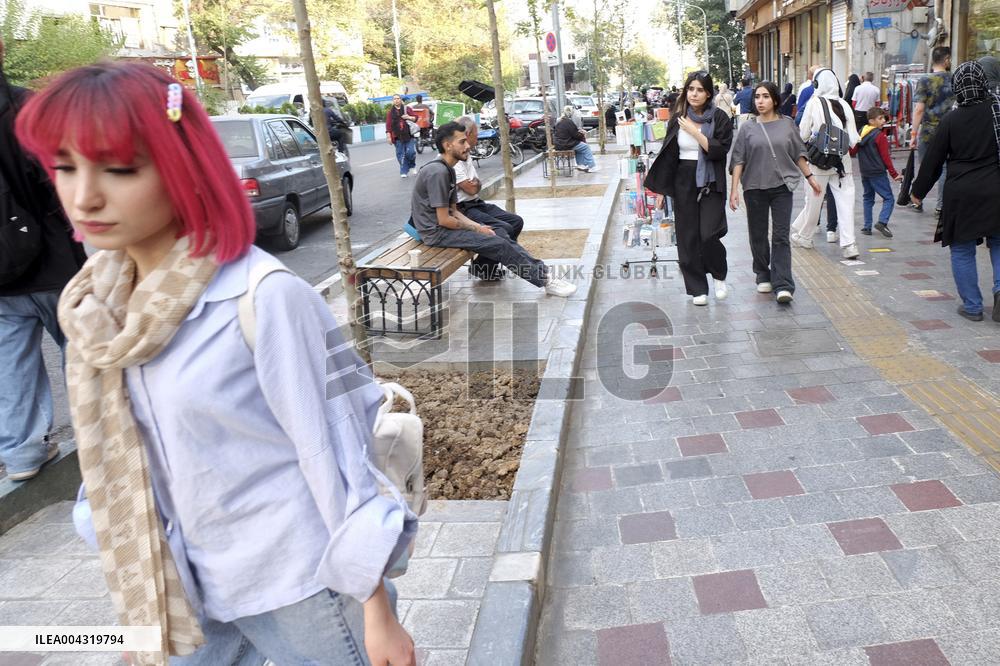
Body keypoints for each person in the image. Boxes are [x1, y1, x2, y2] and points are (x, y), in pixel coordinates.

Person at [16, 61, 418, 665]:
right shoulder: (96, 307)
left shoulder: (263, 296)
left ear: (183, 169)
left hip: (299, 582)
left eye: (120, 169)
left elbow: (337, 448)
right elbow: (125, 451)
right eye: (64, 168)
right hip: (182, 583)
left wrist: (376, 609)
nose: (83, 195)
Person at [0, 39, 88, 482]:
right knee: (83, 351)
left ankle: (21, 454)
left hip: (2, 278)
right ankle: (100, 436)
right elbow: (59, 179)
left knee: (11, 366)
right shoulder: (27, 110)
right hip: (56, 264)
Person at [410, 121, 576, 297]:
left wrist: (480, 228)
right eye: (462, 142)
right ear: (447, 145)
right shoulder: (437, 172)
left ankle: (545, 274)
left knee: (499, 234)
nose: (467, 146)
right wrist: (475, 228)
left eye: (466, 140)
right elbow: (444, 220)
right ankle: (545, 281)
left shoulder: (448, 170)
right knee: (498, 244)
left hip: (446, 227)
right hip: (436, 233)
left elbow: (454, 211)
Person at [911, 60, 1000, 323]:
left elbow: (933, 161)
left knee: (962, 249)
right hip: (996, 188)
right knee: (998, 242)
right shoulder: (997, 111)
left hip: (961, 192)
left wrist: (918, 191)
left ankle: (972, 306)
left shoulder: (951, 119)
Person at [645, 71, 734, 306]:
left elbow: (719, 151)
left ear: (708, 94)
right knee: (688, 237)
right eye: (691, 89)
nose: (694, 94)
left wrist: (695, 132)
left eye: (700, 90)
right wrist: (662, 191)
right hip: (683, 179)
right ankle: (697, 288)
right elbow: (669, 156)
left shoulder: (720, 118)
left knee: (709, 234)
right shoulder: (678, 118)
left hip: (711, 179)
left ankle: (718, 274)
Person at [729, 82, 821, 305]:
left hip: (782, 187)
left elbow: (798, 153)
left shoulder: (787, 125)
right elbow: (738, 159)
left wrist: (810, 177)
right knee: (758, 234)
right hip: (754, 187)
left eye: (765, 97)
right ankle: (762, 273)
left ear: (775, 100)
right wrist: (734, 190)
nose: (760, 101)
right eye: (757, 97)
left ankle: (783, 284)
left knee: (780, 236)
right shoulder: (747, 128)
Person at [790, 68, 861, 259]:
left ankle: (804, 235)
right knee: (846, 202)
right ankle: (849, 245)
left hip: (819, 160)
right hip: (842, 161)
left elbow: (803, 133)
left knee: (814, 201)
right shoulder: (844, 104)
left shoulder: (815, 102)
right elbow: (854, 137)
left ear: (817, 84)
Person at [453, 117, 525, 280]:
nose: (478, 138)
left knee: (516, 221)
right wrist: (475, 185)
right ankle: (486, 268)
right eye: (476, 134)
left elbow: (476, 185)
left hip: (477, 203)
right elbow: (471, 188)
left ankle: (483, 266)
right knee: (503, 229)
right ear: (468, 134)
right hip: (463, 208)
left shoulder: (467, 152)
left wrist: (475, 185)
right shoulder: (455, 157)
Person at [910, 46, 955, 214]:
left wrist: (913, 133)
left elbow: (919, 109)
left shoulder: (925, 80)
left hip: (928, 132)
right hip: (949, 131)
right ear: (946, 60)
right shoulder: (954, 79)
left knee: (925, 166)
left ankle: (917, 200)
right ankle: (941, 205)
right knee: (944, 167)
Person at [850, 107, 902, 238]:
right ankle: (882, 222)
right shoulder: (880, 136)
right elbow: (886, 158)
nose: (883, 120)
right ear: (871, 120)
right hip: (878, 172)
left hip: (865, 172)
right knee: (889, 198)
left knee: (868, 198)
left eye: (883, 118)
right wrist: (894, 174)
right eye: (880, 118)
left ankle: (867, 227)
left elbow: (853, 151)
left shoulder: (862, 131)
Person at [554, 105, 598, 172]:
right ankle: (591, 166)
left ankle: (581, 165)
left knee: (579, 147)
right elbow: (575, 135)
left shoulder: (559, 121)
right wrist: (582, 133)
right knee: (585, 147)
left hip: (558, 144)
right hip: (566, 144)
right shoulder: (568, 122)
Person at [386, 93, 418, 178]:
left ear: (401, 100)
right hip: (397, 136)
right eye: (394, 99)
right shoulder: (390, 112)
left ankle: (412, 165)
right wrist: (388, 136)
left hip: (408, 135)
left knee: (411, 152)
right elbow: (388, 125)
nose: (396, 100)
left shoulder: (407, 109)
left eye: (398, 98)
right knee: (400, 154)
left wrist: (408, 117)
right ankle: (403, 170)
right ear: (393, 101)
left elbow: (415, 118)